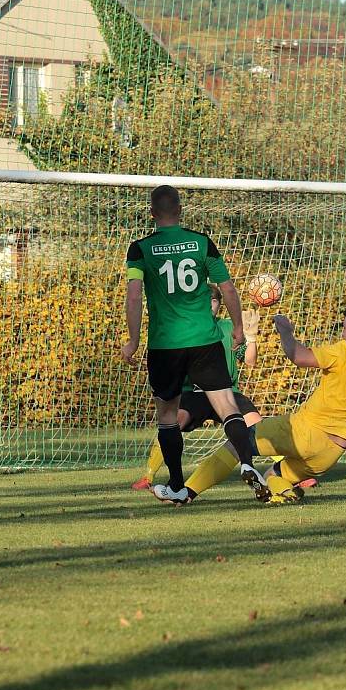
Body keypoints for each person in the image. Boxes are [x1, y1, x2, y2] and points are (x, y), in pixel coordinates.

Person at [161, 290, 346, 505]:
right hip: (333, 451)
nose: (343, 332)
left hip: (304, 431)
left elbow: (297, 356)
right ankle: (284, 494)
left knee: (237, 443)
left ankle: (185, 492)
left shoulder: (345, 353)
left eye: (345, 327)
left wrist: (285, 330)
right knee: (273, 472)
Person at [121, 184, 266, 503]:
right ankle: (247, 463)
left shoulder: (140, 248)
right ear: (181, 210)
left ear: (152, 213)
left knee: (168, 416)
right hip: (205, 340)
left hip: (165, 345)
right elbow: (227, 289)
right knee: (228, 407)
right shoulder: (202, 243)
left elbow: (134, 296)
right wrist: (239, 328)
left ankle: (175, 483)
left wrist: (132, 340)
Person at [131, 285, 262, 490]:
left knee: (256, 425)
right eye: (205, 300)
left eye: (214, 300)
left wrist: (251, 337)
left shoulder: (229, 327)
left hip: (227, 392)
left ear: (219, 304)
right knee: (174, 421)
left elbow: (250, 360)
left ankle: (285, 470)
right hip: (194, 393)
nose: (210, 304)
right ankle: (148, 476)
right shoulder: (187, 329)